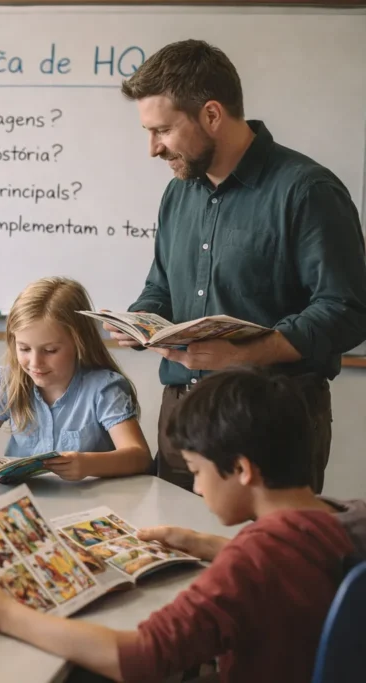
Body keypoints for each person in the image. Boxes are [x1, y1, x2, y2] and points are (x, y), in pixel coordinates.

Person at [0, 367, 366, 682]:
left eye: (197, 471)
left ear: (241, 469)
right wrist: (205, 543)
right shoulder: (349, 519)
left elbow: (141, 657)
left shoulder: (251, 562)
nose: (197, 489)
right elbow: (296, 566)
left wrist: (2, 614)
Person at [108, 39, 366, 492]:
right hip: (182, 413)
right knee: (176, 553)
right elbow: (161, 286)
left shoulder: (306, 191)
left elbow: (346, 308)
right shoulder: (179, 190)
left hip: (270, 421)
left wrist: (246, 355)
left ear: (211, 115)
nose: (152, 148)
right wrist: (141, 323)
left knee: (262, 560)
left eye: (163, 130)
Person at [0, 277, 150, 481]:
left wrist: (88, 464)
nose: (35, 363)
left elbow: (139, 456)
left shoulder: (104, 389)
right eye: (24, 348)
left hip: (89, 504)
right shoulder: (8, 382)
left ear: (79, 342)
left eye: (50, 350)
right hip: (25, 500)